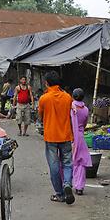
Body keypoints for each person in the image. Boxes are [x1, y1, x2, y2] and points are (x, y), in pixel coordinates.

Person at [37, 71, 75, 204]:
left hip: (51, 136)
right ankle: (67, 184)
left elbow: (40, 116)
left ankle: (59, 194)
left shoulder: (44, 98)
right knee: (67, 163)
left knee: (53, 166)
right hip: (65, 135)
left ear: (47, 83)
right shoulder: (67, 97)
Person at [69, 88, 92, 195]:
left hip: (70, 136)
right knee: (81, 162)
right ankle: (79, 187)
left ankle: (67, 183)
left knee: (67, 161)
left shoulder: (70, 107)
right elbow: (85, 124)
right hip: (80, 137)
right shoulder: (86, 109)